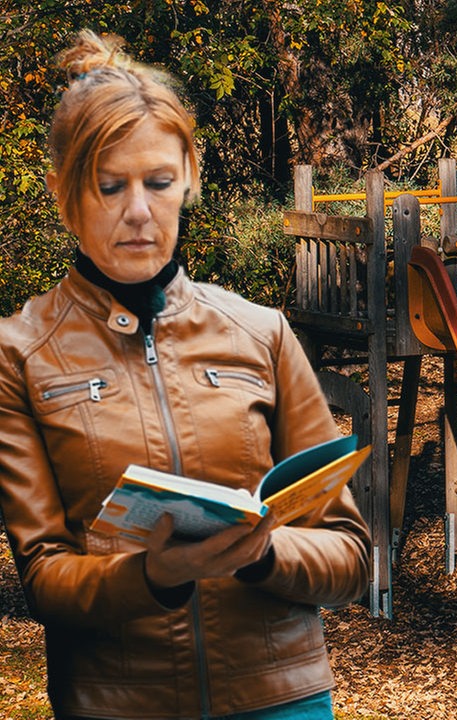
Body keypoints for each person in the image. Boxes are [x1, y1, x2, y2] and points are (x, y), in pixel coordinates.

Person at [0, 30, 372, 720]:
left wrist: (264, 554)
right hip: (117, 702)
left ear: (188, 182)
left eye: (159, 182)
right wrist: (155, 577)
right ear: (61, 194)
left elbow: (350, 554)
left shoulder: (261, 332)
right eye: (109, 186)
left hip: (282, 696)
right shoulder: (19, 352)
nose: (138, 211)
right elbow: (45, 577)